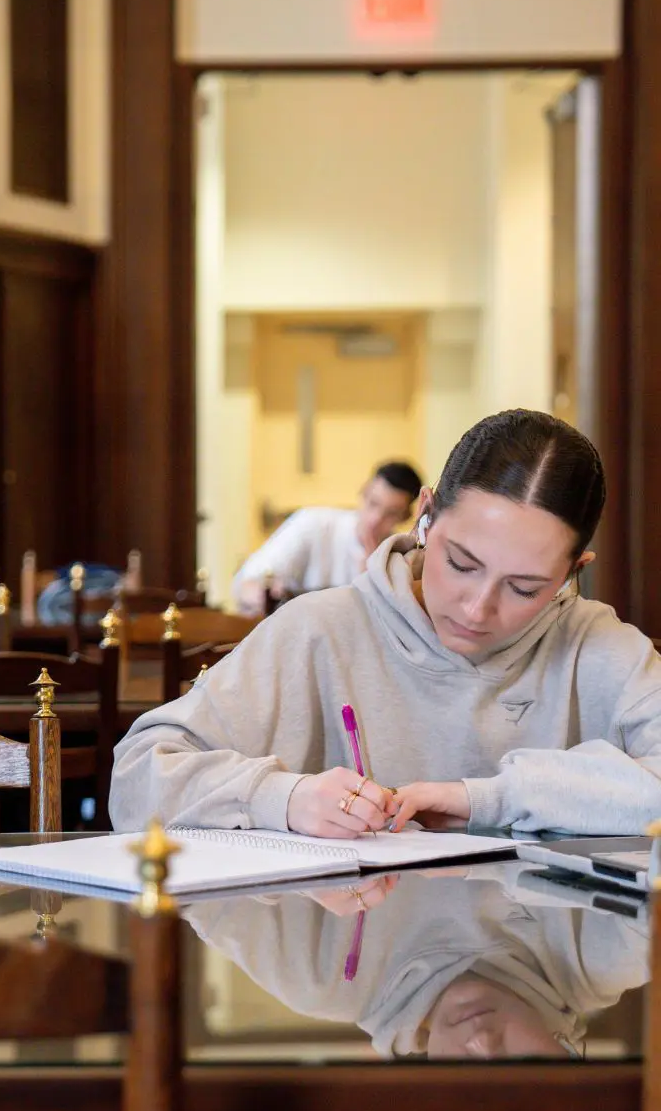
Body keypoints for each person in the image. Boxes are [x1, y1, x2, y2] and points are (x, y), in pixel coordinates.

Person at [110, 409, 661, 837]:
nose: (476, 608)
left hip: (547, 968)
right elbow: (136, 780)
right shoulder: (321, 630)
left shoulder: (599, 647)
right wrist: (282, 798)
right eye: (461, 564)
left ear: (574, 570)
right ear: (425, 514)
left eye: (525, 588)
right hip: (356, 960)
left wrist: (488, 799)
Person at [182, 862, 649, 1059]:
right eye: (521, 1066)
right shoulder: (612, 955)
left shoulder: (319, 979)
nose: (483, 1043)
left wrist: (283, 813)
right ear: (569, 1056)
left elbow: (181, 873)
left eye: (462, 1089)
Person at [231, 460, 421, 614]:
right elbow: (245, 583)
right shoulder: (313, 523)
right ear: (363, 492)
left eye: (391, 513)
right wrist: (268, 594)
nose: (375, 519)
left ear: (404, 516)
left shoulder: (399, 556)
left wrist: (372, 579)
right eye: (373, 503)